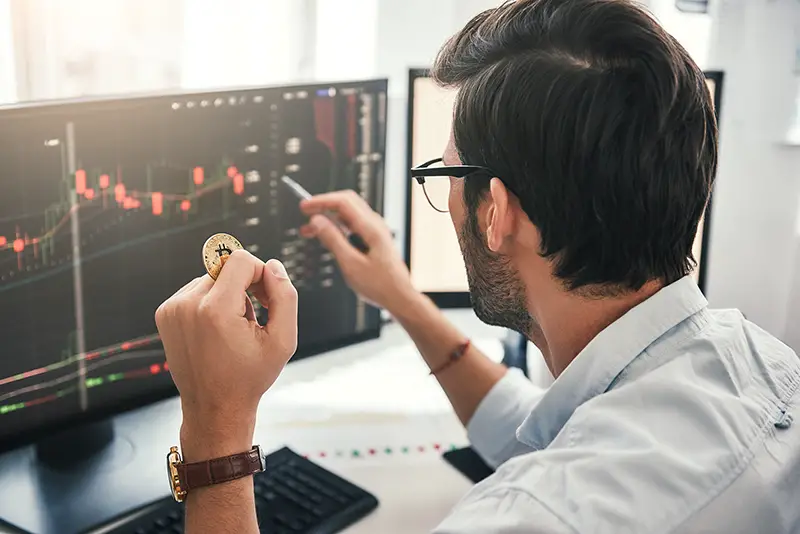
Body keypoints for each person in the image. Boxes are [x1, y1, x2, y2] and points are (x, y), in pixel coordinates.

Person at [154, 0, 800, 532]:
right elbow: (538, 435)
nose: (447, 198)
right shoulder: (758, 363)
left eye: (448, 174)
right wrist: (402, 299)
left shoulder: (533, 518)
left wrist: (217, 425)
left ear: (495, 210)